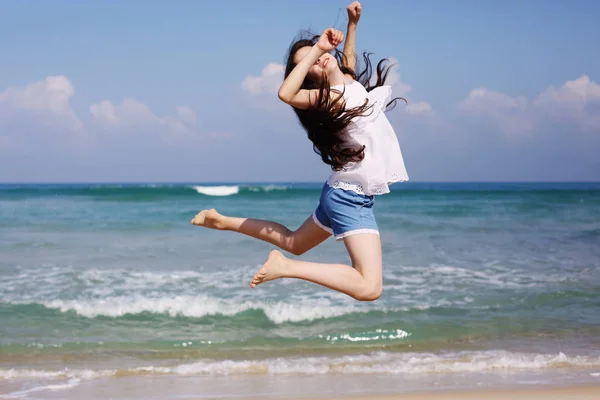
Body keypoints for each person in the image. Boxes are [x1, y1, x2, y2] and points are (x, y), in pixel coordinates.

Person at [191, 1, 408, 301]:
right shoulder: (327, 100)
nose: (321, 60)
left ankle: (221, 221)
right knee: (369, 287)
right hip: (349, 197)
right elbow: (286, 93)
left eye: (321, 55)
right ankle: (286, 267)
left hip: (341, 191)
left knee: (293, 240)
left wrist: (352, 24)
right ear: (312, 78)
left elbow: (349, 60)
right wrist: (318, 49)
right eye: (312, 60)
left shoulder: (347, 83)